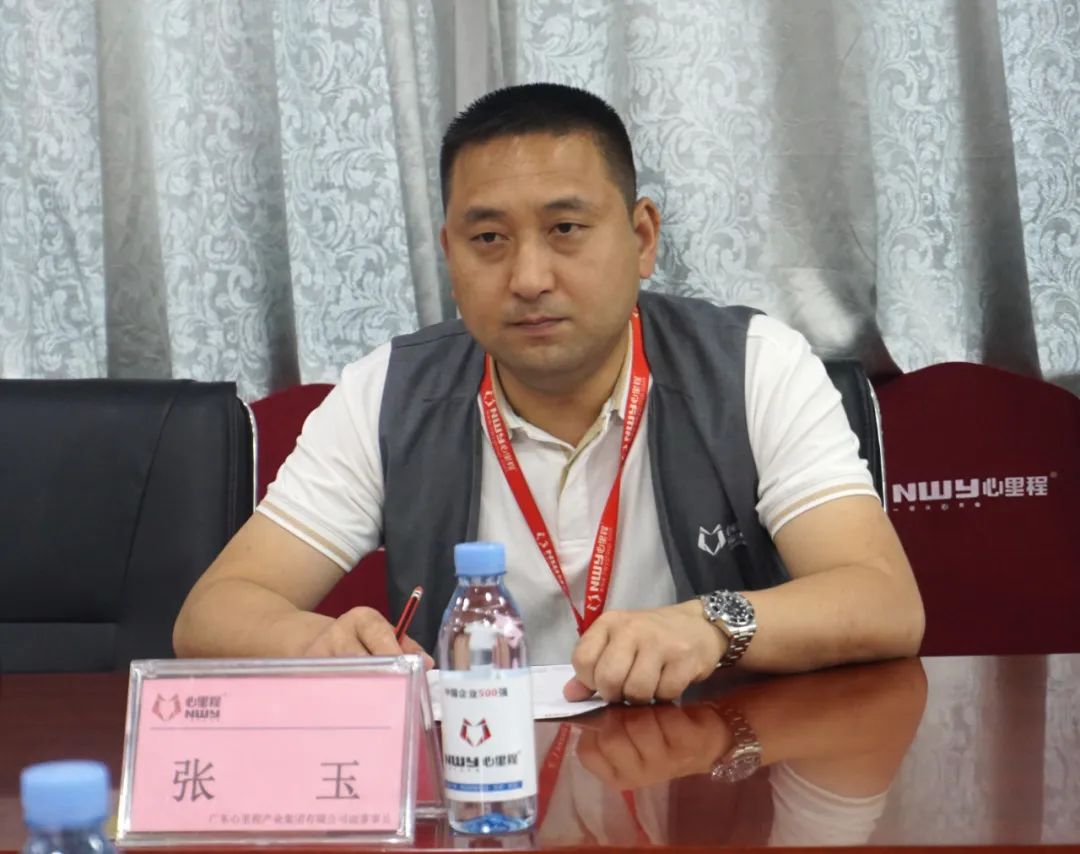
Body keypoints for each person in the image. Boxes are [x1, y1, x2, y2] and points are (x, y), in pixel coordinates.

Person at [174, 83, 924, 704]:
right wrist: (318, 642)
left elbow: (882, 600)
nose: (529, 278)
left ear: (642, 237)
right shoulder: (387, 393)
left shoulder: (753, 367)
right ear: (449, 254)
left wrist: (709, 624)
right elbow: (213, 613)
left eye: (565, 228)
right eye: (488, 240)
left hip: (709, 773)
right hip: (476, 783)